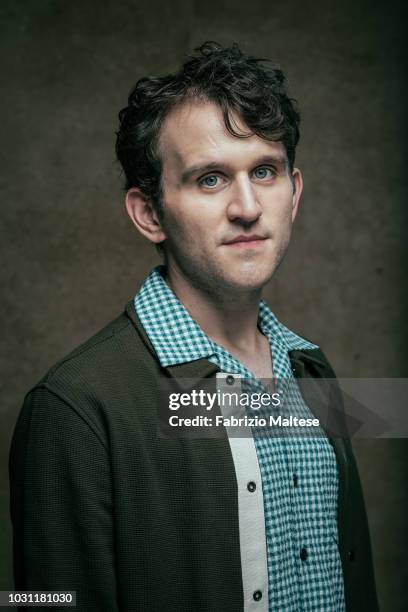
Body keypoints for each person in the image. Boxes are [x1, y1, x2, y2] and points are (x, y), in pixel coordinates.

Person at [9, 42, 378, 611]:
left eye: (264, 170)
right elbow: (44, 601)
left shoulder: (311, 371)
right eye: (210, 179)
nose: (248, 206)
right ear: (149, 213)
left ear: (294, 192)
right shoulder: (75, 406)